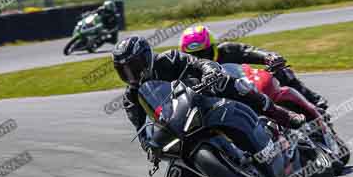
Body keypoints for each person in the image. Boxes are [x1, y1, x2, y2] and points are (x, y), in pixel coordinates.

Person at [113, 36, 306, 161]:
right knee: (178, 174)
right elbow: (140, 129)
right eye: (124, 70)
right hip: (175, 120)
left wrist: (210, 72)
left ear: (147, 57)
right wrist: (149, 147)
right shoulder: (131, 97)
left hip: (203, 94)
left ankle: (281, 114)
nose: (132, 74)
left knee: (234, 84)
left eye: (135, 65)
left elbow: (198, 62)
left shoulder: (169, 59)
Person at [179, 25, 328, 110]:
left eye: (203, 51)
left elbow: (248, 51)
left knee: (282, 72)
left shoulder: (227, 50)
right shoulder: (187, 69)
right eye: (194, 54)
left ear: (212, 46)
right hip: (226, 104)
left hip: (250, 84)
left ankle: (313, 101)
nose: (200, 57)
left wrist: (269, 57)